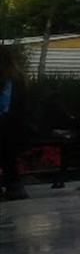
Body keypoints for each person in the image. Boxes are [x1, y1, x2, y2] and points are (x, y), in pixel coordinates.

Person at [1, 47, 31, 201]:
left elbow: (4, 106)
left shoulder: (8, 80)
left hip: (10, 125)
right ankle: (14, 185)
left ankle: (13, 185)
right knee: (8, 154)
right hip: (16, 125)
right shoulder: (18, 77)